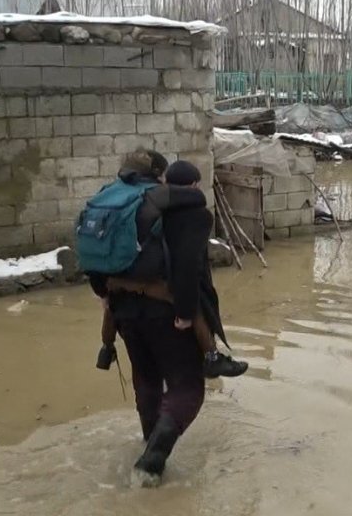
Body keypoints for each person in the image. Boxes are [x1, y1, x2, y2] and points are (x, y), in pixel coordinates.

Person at [87, 154, 215, 485]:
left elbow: (94, 253)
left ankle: (148, 445)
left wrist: (105, 295)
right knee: (187, 387)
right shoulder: (184, 212)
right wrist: (187, 315)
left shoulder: (112, 202)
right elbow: (187, 267)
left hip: (124, 313)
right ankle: (152, 462)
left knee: (146, 379)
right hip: (165, 311)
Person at [94, 157, 247, 379]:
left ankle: (106, 349)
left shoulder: (125, 201)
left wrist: (101, 289)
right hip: (151, 282)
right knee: (190, 303)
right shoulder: (177, 209)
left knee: (111, 307)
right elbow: (186, 264)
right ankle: (212, 357)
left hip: (117, 279)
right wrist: (184, 313)